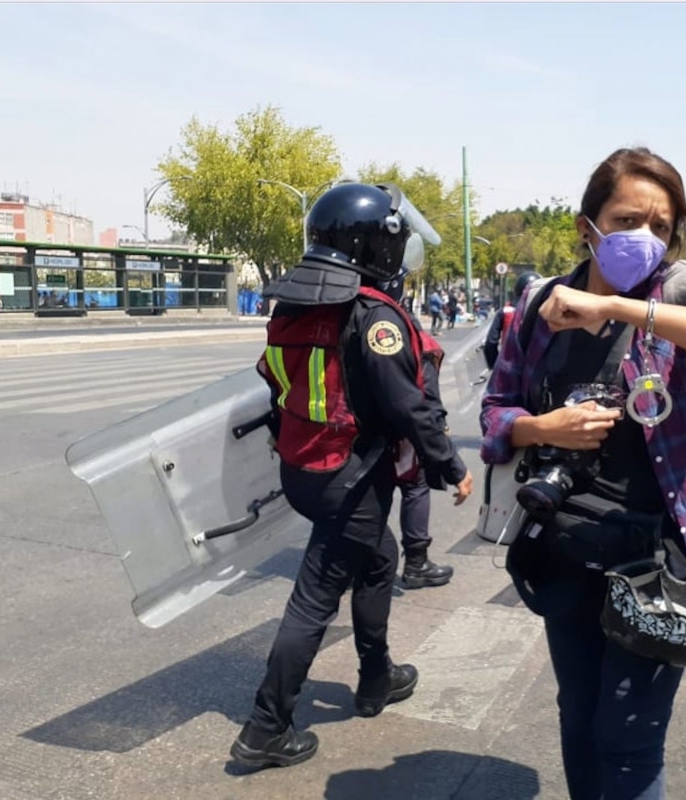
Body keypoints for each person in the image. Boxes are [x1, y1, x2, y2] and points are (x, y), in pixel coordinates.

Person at [480, 147, 686, 800]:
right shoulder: (537, 304)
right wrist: (540, 429)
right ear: (588, 224)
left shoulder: (685, 288)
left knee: (628, 740)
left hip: (660, 556)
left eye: (661, 226)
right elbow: (497, 411)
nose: (644, 236)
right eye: (626, 219)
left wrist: (620, 309)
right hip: (564, 547)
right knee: (578, 717)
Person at [231, 182, 473, 769]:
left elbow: (275, 381)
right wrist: (452, 466)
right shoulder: (372, 314)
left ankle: (376, 677)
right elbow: (407, 405)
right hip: (350, 479)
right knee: (315, 598)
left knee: (380, 559)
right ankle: (266, 727)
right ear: (374, 243)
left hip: (305, 471)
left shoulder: (294, 303)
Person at [377, 265, 458, 590]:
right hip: (405, 431)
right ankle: (416, 563)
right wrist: (444, 447)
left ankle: (363, 561)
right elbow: (426, 396)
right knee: (415, 485)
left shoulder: (351, 316)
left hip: (362, 432)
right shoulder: (402, 326)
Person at [484, 270, 541, 370]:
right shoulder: (548, 312)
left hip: (510, 366)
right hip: (538, 368)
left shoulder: (505, 311)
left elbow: (490, 343)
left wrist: (494, 366)